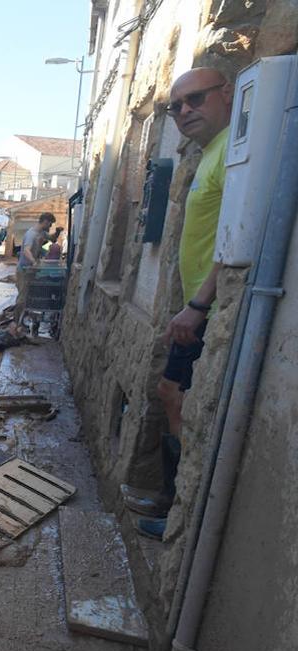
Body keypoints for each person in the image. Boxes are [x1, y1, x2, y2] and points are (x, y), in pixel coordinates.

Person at [122, 67, 233, 539]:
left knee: (175, 395)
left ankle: (177, 507)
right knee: (173, 395)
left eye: (196, 99)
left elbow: (234, 239)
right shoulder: (210, 153)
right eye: (175, 106)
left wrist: (199, 304)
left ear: (227, 94)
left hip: (206, 310)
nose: (185, 111)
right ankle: (170, 498)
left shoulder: (232, 151)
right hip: (195, 307)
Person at [16, 212, 55, 322]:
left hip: (31, 271)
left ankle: (23, 321)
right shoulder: (31, 234)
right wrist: (33, 261)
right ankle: (16, 323)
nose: (50, 227)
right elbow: (26, 250)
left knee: (28, 297)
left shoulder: (42, 233)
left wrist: (57, 232)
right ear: (45, 221)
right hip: (24, 270)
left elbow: (53, 239)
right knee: (22, 298)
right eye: (50, 224)